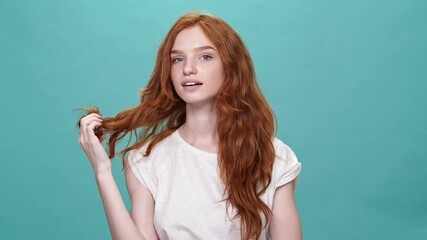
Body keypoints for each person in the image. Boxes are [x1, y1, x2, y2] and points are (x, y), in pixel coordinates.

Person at [77, 12, 302, 240]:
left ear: (230, 67)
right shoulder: (145, 160)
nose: (188, 69)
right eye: (178, 59)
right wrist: (102, 172)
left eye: (205, 57)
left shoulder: (274, 157)